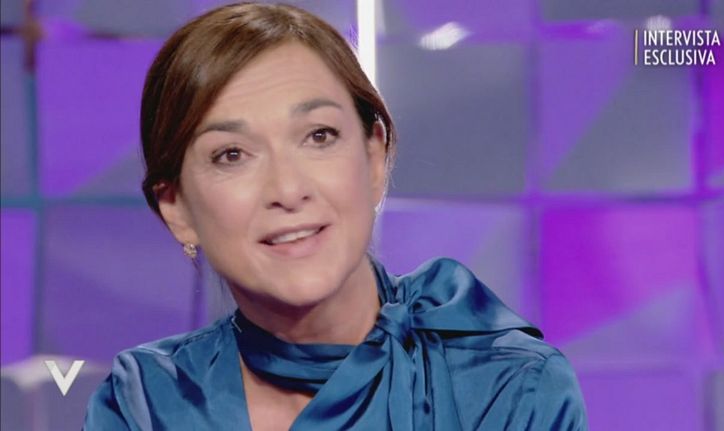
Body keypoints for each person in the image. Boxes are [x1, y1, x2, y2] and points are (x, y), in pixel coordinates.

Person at [83, 2, 588, 430]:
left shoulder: (508, 386)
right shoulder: (145, 403)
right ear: (177, 209)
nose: (288, 189)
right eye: (231, 154)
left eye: (318, 136)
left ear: (374, 158)